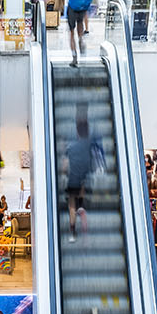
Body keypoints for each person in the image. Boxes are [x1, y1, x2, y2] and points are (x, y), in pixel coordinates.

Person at [64, 102, 102, 243]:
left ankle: (73, 231)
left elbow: (64, 166)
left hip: (73, 178)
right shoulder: (88, 144)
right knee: (81, 193)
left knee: (71, 205)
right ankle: (82, 207)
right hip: (85, 176)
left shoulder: (71, 148)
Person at [64, 0, 92, 66]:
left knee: (71, 32)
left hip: (73, 5)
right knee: (80, 24)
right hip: (83, 6)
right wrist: (97, 2)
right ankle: (81, 39)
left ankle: (74, 57)